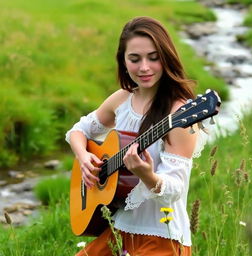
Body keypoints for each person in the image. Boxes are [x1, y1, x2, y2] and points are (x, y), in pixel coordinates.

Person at [66, 16, 203, 256]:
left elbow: (175, 189)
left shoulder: (180, 115)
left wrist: (147, 175)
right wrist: (84, 158)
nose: (144, 68)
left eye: (153, 57)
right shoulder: (122, 99)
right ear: (123, 61)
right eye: (134, 59)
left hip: (163, 236)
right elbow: (79, 130)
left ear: (166, 57)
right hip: (119, 229)